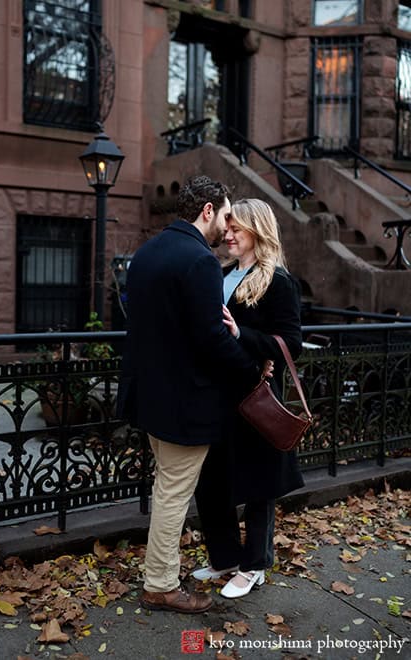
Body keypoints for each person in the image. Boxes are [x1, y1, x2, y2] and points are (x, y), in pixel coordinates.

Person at [116, 176, 259, 613]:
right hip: (185, 402)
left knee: (167, 488)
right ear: (208, 210)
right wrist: (250, 368)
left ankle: (158, 575)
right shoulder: (199, 261)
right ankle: (159, 583)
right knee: (173, 494)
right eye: (226, 214)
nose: (226, 226)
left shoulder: (146, 253)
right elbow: (211, 338)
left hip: (150, 397)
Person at [193, 198, 305, 598]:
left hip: (255, 396)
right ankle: (224, 558)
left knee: (259, 482)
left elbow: (292, 343)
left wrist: (244, 336)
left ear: (258, 230)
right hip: (216, 395)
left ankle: (255, 565)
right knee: (211, 481)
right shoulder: (220, 273)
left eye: (236, 229)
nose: (228, 235)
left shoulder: (278, 280)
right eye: (228, 228)